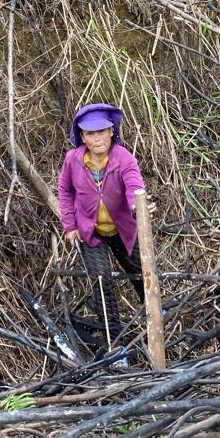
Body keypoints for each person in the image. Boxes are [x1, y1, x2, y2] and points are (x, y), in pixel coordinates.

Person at [57, 103, 148, 354]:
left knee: (141, 274)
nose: (97, 138)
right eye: (90, 134)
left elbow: (133, 186)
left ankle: (156, 318)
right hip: (91, 232)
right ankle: (117, 346)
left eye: (102, 132)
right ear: (82, 137)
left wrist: (137, 206)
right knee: (102, 283)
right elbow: (65, 192)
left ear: (111, 132)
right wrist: (70, 226)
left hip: (122, 229)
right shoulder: (73, 160)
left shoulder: (124, 158)